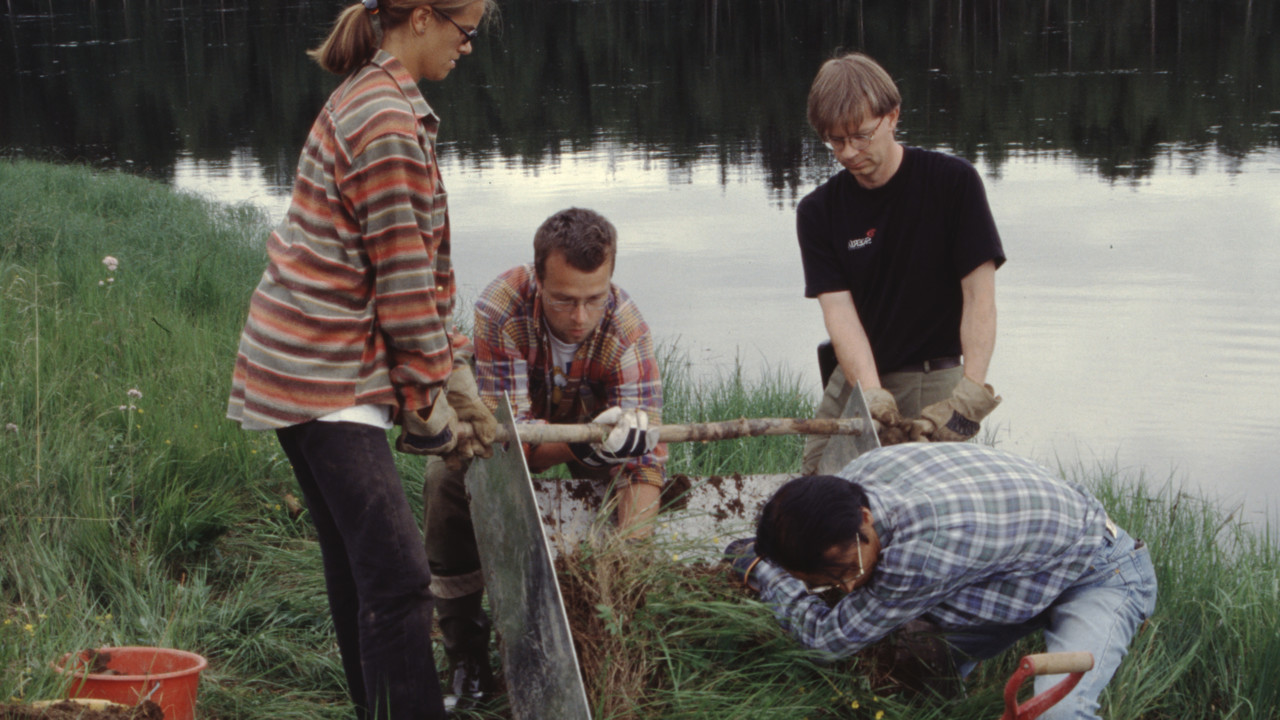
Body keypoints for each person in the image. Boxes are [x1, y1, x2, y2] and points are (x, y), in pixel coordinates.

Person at [225, 1, 497, 717]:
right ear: (420, 18)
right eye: (464, 32)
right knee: (401, 579)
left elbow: (419, 264)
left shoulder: (378, 96)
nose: (467, 48)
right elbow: (403, 278)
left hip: (304, 361)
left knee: (360, 566)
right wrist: (425, 400)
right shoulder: (385, 120)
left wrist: (457, 366)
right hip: (323, 373)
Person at [422, 207, 666, 709]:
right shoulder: (501, 308)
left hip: (595, 451)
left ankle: (606, 637)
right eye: (563, 300)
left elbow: (645, 462)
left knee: (641, 494)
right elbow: (512, 446)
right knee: (445, 482)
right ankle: (466, 652)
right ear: (538, 279)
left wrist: (626, 564)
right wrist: (584, 442)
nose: (580, 318)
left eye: (594, 299)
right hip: (527, 440)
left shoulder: (627, 330)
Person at [726, 443, 1157, 719]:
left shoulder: (920, 553)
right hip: (1016, 572)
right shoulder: (860, 477)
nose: (851, 586)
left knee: (1056, 715)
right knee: (918, 688)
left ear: (864, 518)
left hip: (1099, 571)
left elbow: (824, 640)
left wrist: (761, 570)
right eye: (829, 581)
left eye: (849, 569)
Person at [796, 51, 1006, 471]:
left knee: (924, 491)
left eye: (860, 136)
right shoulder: (818, 211)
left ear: (893, 116)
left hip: (936, 374)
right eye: (835, 141)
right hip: (860, 374)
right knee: (818, 480)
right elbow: (839, 314)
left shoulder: (953, 183)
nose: (849, 153)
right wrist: (870, 394)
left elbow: (979, 298)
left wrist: (969, 395)